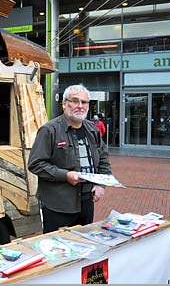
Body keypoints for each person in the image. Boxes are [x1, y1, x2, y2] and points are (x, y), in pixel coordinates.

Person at [28, 84, 112, 233]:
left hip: (86, 202)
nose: (80, 106)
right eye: (74, 101)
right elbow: (36, 164)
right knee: (57, 249)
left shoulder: (92, 130)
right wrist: (65, 175)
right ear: (64, 104)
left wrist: (100, 185)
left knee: (84, 245)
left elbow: (103, 158)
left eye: (84, 102)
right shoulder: (49, 130)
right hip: (58, 205)